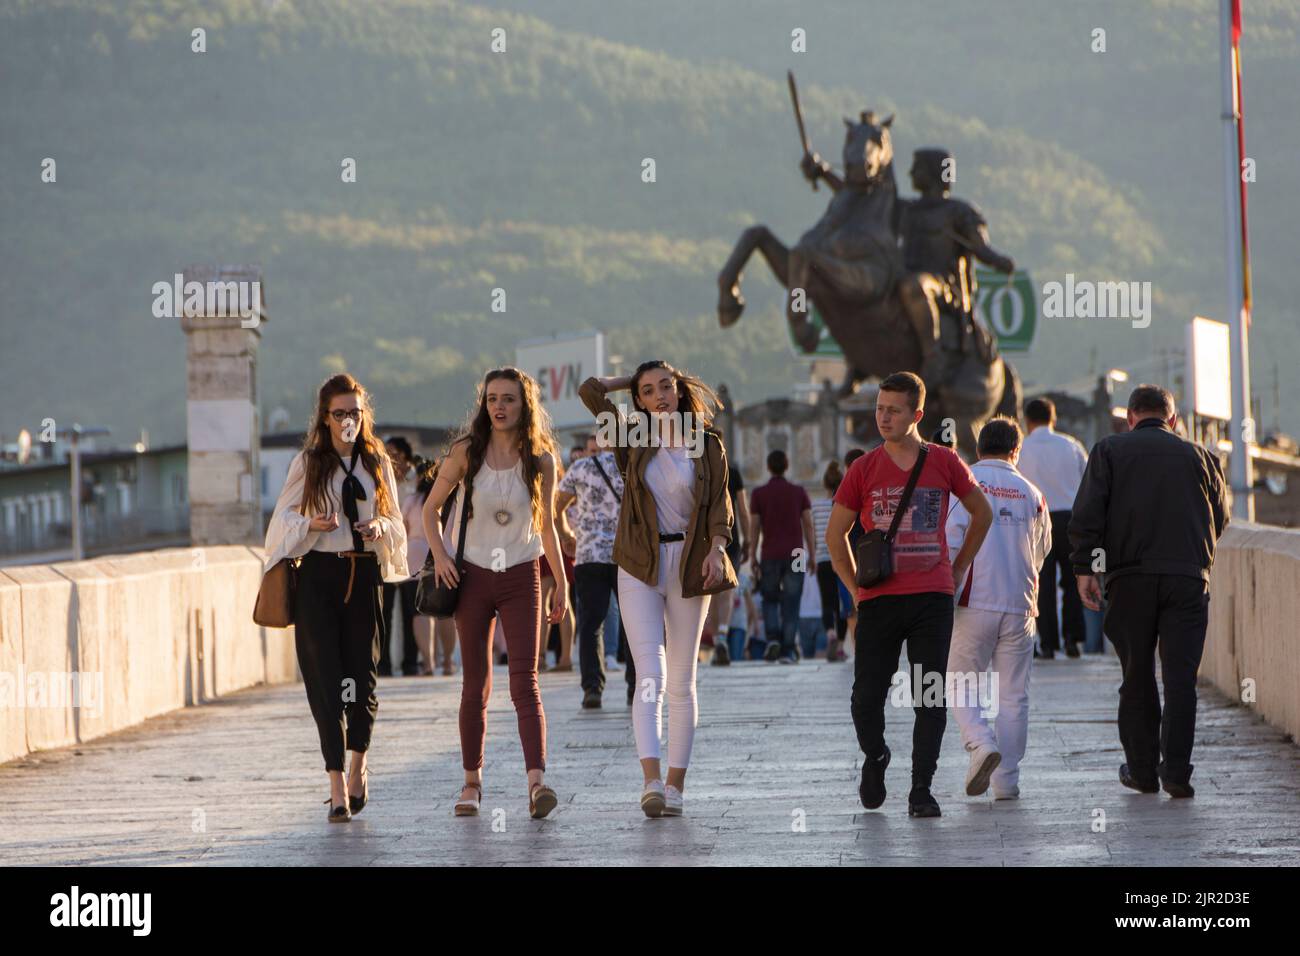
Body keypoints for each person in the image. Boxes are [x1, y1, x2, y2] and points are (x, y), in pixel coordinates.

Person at [826, 371, 992, 818]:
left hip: (931, 597)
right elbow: (835, 535)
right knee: (866, 697)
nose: (883, 417)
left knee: (929, 695)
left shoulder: (944, 461)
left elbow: (982, 513)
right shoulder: (863, 469)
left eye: (893, 410)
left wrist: (958, 569)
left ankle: (922, 788)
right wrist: (854, 589)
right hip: (878, 599)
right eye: (879, 408)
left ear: (916, 415)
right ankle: (877, 755)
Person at [579, 360, 736, 818]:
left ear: (680, 389)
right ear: (640, 400)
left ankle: (675, 786)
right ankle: (649, 781)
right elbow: (590, 391)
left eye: (666, 386)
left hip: (690, 566)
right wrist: (631, 379)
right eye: (648, 391)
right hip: (639, 565)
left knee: (683, 683)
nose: (660, 395)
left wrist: (717, 549)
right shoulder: (632, 438)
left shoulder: (706, 443)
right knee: (651, 676)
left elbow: (719, 507)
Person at [1068, 385, 1228, 798]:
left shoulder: (1109, 451)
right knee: (1180, 679)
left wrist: (1087, 568)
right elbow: (1221, 517)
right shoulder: (1202, 457)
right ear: (1173, 419)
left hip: (1129, 578)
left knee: (1136, 674)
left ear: (1131, 416)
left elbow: (1088, 515)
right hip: (1188, 579)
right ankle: (1176, 772)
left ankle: (1141, 771)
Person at [421, 367, 567, 820]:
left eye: (508, 399)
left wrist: (560, 582)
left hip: (523, 574)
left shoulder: (541, 460)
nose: (499, 406)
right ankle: (471, 784)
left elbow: (546, 527)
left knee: (525, 682)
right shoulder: (467, 452)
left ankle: (536, 783)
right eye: (491, 399)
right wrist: (441, 556)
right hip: (472, 576)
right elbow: (430, 510)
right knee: (475, 685)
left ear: (525, 406)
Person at [263, 373, 409, 823]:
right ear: (325, 418)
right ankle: (334, 783)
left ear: (365, 416)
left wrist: (380, 528)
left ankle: (358, 766)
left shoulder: (377, 462)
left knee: (362, 677)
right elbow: (279, 523)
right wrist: (311, 525)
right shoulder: (309, 463)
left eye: (355, 412)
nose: (348, 420)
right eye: (340, 413)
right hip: (319, 578)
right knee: (324, 682)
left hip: (363, 573)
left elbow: (396, 521)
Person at [945, 417, 1050, 800]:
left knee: (959, 681)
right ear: (1016, 451)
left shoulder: (963, 485)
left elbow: (950, 540)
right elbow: (1042, 551)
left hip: (973, 601)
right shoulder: (1033, 493)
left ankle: (979, 742)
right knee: (1014, 695)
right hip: (1021, 605)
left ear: (978, 448)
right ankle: (1006, 782)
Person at [555, 430, 636, 709]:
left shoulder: (580, 467)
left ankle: (592, 688)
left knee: (591, 624)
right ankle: (634, 688)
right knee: (634, 623)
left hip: (589, 554)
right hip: (627, 555)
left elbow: (557, 506)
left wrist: (567, 534)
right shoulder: (632, 466)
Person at [1016, 397, 1089, 659]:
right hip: (1071, 520)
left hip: (1036, 521)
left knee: (1041, 584)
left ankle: (1047, 644)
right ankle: (1072, 638)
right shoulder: (1072, 445)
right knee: (1072, 581)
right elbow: (1086, 482)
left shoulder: (1021, 448)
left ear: (1027, 420)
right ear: (1053, 418)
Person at [750, 449, 815, 663]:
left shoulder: (759, 494)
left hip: (769, 552)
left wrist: (752, 555)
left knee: (769, 599)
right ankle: (788, 649)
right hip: (796, 553)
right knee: (792, 600)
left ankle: (772, 640)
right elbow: (807, 523)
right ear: (787, 466)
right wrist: (812, 554)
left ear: (768, 467)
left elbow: (755, 526)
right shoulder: (799, 492)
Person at [405, 457, 457, 675]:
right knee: (445, 610)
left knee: (419, 611)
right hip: (446, 553)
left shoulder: (413, 500)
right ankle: (447, 662)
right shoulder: (454, 500)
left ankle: (428, 662)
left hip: (416, 554)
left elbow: (404, 528)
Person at [380, 435, 420, 675]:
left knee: (412, 612)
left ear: (405, 456)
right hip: (387, 553)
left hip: (412, 555)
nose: (391, 459)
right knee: (384, 613)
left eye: (395, 454)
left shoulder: (418, 481)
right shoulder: (382, 482)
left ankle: (411, 663)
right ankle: (383, 663)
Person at [710, 454, 750, 665]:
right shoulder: (733, 473)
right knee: (727, 589)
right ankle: (723, 635)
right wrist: (749, 539)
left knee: (710, 591)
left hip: (705, 536)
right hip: (729, 535)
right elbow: (742, 510)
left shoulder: (700, 466)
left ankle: (717, 639)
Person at [811, 460, 849, 662]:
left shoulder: (816, 506)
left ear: (825, 484)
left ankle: (830, 634)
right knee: (843, 603)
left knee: (828, 602)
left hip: (823, 559)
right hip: (841, 557)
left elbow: (814, 535)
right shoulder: (844, 505)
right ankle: (841, 646)